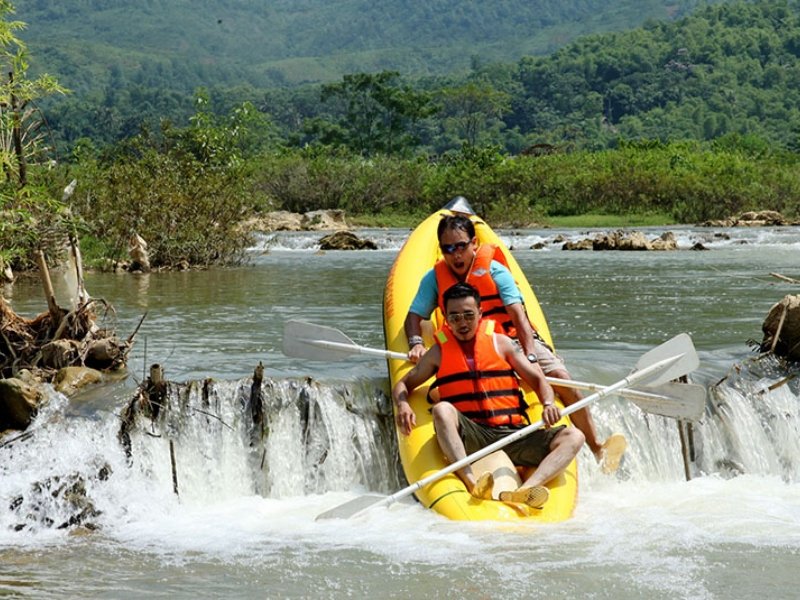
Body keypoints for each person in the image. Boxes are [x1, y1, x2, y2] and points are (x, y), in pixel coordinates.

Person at [404, 209, 625, 473]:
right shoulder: (435, 278)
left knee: (562, 380)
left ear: (474, 244)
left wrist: (530, 356)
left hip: (512, 339)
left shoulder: (495, 271)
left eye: (461, 246)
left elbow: (519, 317)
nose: (456, 254)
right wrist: (416, 342)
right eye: (448, 248)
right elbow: (414, 315)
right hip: (468, 341)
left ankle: (596, 446)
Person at [393, 282, 584, 508]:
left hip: (512, 433)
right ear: (446, 318)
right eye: (454, 317)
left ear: (480, 313)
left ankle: (526, 490)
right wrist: (403, 404)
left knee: (574, 437)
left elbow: (538, 380)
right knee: (442, 409)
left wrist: (548, 403)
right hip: (473, 435)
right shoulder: (439, 352)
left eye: (468, 315)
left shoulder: (501, 343)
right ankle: (472, 482)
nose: (462, 323)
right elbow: (403, 384)